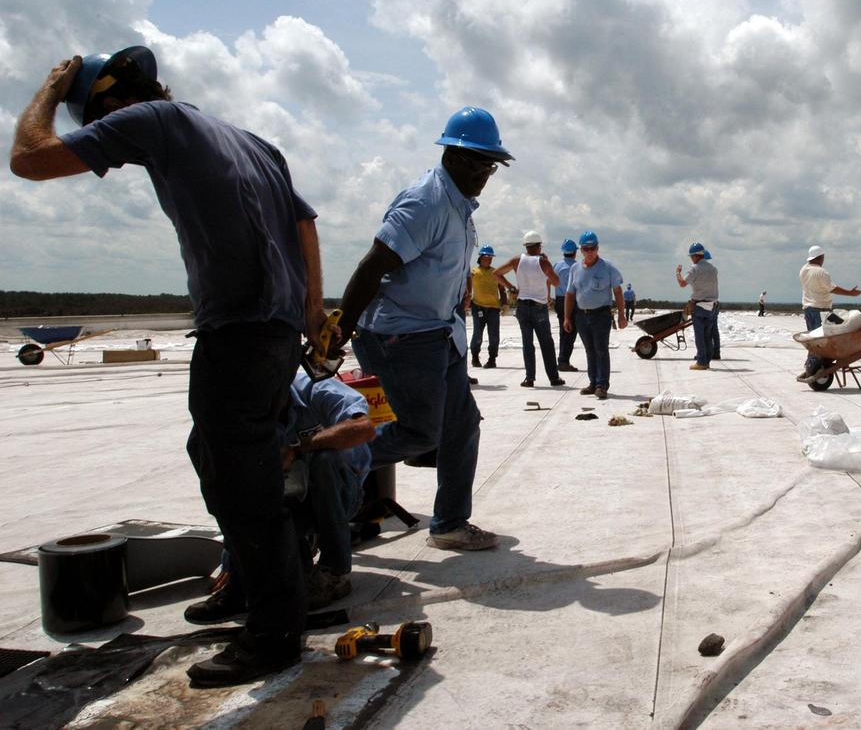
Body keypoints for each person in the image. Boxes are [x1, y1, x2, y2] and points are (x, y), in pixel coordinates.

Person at [10, 47, 325, 687]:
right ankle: (249, 588)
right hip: (273, 329)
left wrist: (50, 87)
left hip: (237, 329)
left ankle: (274, 634)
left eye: (98, 118)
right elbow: (303, 221)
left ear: (112, 102)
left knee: (244, 484)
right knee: (219, 457)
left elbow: (31, 159)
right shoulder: (251, 141)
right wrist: (312, 312)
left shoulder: (150, 120)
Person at [331, 105, 512, 556]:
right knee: (419, 432)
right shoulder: (425, 202)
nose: (485, 174)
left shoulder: (460, 206)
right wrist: (340, 329)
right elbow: (372, 266)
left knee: (462, 425)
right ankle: (329, 464)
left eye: (490, 165)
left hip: (439, 333)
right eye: (478, 163)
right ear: (452, 155)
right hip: (400, 337)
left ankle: (450, 523)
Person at [185, 371, 374, 623]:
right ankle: (244, 581)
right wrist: (235, 556)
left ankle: (333, 571)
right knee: (214, 455)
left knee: (325, 460)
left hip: (339, 496)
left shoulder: (315, 388)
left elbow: (364, 429)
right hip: (285, 498)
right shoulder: (241, 406)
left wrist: (299, 449)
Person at [495, 232, 564, 388]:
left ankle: (529, 378)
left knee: (528, 343)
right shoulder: (543, 263)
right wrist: (547, 263)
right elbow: (557, 282)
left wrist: (511, 288)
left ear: (526, 246)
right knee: (546, 343)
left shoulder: (516, 260)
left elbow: (496, 273)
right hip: (539, 307)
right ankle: (553, 378)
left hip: (522, 306)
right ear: (539, 246)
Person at [563, 231, 627, 399]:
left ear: (598, 248)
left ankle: (602, 385)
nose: (589, 251)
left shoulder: (608, 267)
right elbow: (570, 294)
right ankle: (593, 382)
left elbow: (618, 292)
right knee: (589, 350)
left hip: (601, 315)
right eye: (586, 248)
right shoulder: (575, 269)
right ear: (581, 250)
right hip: (582, 316)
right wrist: (567, 317)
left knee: (601, 349)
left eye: (593, 248)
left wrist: (622, 315)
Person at [798, 245, 861, 379]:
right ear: (820, 257)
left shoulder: (803, 270)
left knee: (813, 340)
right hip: (820, 309)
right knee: (820, 342)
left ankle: (810, 365)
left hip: (808, 309)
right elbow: (831, 288)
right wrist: (851, 293)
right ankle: (814, 368)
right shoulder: (821, 272)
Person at [470, 245, 516, 369]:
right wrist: (466, 301)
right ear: (480, 258)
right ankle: (475, 357)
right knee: (477, 334)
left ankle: (492, 359)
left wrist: (505, 304)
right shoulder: (473, 272)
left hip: (493, 308)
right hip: (478, 306)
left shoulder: (495, 273)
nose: (489, 260)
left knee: (494, 335)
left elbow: (502, 289)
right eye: (486, 258)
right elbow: (467, 288)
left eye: (490, 258)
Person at [676, 242, 718, 370]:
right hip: (712, 306)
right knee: (708, 335)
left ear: (694, 256)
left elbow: (683, 283)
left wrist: (678, 273)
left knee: (699, 335)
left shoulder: (695, 268)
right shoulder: (713, 268)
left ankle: (701, 362)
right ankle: (707, 361)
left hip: (699, 306)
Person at [553, 239, 580, 372]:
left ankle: (562, 359)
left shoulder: (557, 265)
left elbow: (550, 281)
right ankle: (563, 360)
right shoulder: (577, 266)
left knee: (563, 331)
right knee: (570, 331)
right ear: (575, 252)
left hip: (559, 300)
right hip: (572, 301)